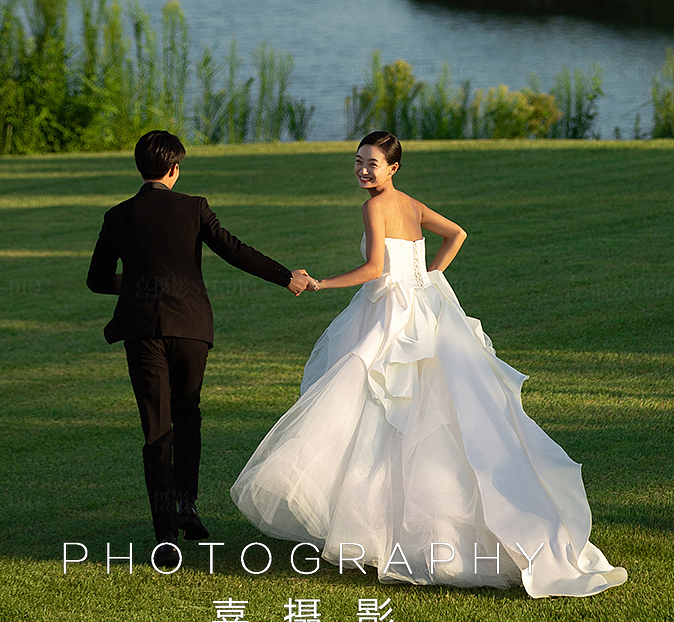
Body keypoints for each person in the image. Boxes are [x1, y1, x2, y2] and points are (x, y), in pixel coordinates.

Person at [231, 130, 627, 597]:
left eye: (372, 163)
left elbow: (374, 269)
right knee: (433, 410)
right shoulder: (412, 204)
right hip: (426, 308)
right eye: (358, 161)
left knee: (377, 410)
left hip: (391, 315)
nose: (362, 170)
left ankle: (381, 530)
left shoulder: (375, 208)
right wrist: (429, 276)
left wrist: (321, 283)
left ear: (393, 168)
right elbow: (457, 234)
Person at [88, 129, 313, 550]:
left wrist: (139, 285)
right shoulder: (193, 208)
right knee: (188, 414)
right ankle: (186, 503)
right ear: (174, 169)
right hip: (191, 327)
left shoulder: (117, 215)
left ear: (140, 168)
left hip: (143, 331)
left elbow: (97, 280)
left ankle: (165, 532)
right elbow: (234, 250)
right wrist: (286, 277)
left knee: (156, 429)